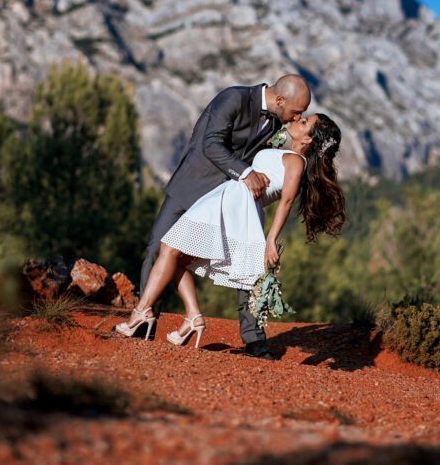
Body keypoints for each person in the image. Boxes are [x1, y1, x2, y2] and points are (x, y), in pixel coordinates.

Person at [118, 113, 345, 359]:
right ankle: (191, 317)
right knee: (174, 255)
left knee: (170, 248)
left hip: (235, 207)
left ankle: (142, 313)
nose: (297, 120)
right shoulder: (283, 151)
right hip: (228, 199)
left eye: (304, 123)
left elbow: (286, 202)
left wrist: (271, 239)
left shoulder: (297, 162)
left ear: (309, 139)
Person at [138, 75, 311, 359]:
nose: (298, 116)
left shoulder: (280, 122)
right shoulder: (233, 98)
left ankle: (255, 342)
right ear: (280, 100)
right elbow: (211, 143)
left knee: (250, 262)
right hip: (192, 186)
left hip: (230, 199)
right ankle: (144, 325)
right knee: (157, 249)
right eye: (296, 111)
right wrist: (246, 174)